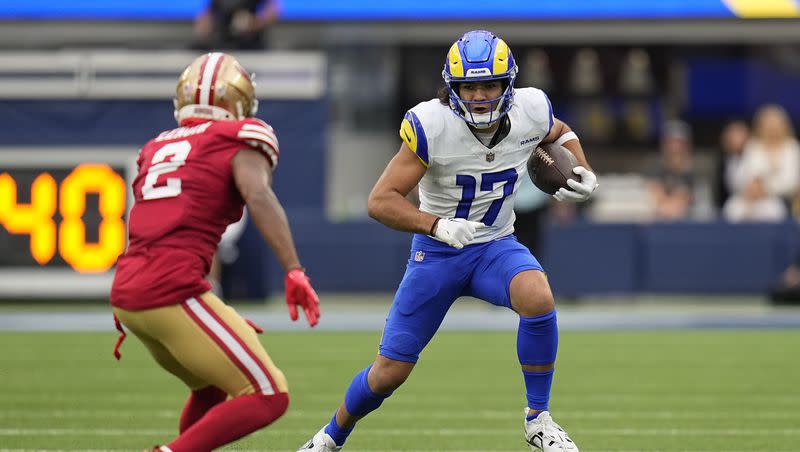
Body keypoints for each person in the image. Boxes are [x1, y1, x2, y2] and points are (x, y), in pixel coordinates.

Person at [297, 30, 596, 452]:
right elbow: (379, 201)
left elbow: (559, 131)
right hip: (437, 254)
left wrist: (582, 169)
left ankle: (539, 419)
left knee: (538, 297)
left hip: (495, 245)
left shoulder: (531, 108)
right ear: (451, 89)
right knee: (389, 372)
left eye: (489, 84)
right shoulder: (432, 125)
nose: (479, 96)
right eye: (469, 86)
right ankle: (330, 436)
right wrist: (435, 225)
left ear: (508, 85)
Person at [110, 52, 321, 452]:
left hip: (127, 292)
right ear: (238, 102)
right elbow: (257, 194)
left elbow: (168, 225)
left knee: (210, 389)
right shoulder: (238, 135)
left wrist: (214, 309)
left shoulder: (155, 147)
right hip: (170, 289)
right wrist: (293, 269)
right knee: (269, 394)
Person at [646, 120, 697, 221]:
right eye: (671, 142)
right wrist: (666, 204)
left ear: (687, 145)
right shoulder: (654, 166)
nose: (675, 147)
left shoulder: (695, 169)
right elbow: (655, 193)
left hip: (689, 224)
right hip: (659, 221)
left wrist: (677, 203)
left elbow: (685, 198)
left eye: (679, 143)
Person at [192, 0, 279, 50]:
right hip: (222, 46)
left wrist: (253, 24)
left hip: (250, 47)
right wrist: (203, 27)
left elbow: (272, 11)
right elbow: (206, 16)